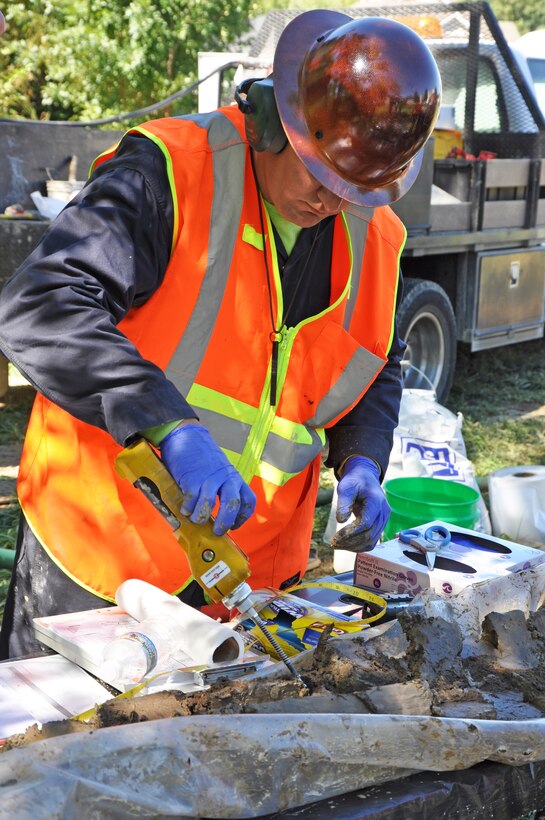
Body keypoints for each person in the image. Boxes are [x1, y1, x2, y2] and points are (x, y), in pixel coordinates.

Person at [0, 10, 441, 658]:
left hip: (248, 584)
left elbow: (375, 361)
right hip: (100, 559)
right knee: (59, 752)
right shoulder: (169, 172)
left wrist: (363, 460)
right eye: (319, 175)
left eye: (352, 189)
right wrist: (171, 427)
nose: (331, 202)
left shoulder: (373, 234)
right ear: (271, 119)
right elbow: (41, 306)